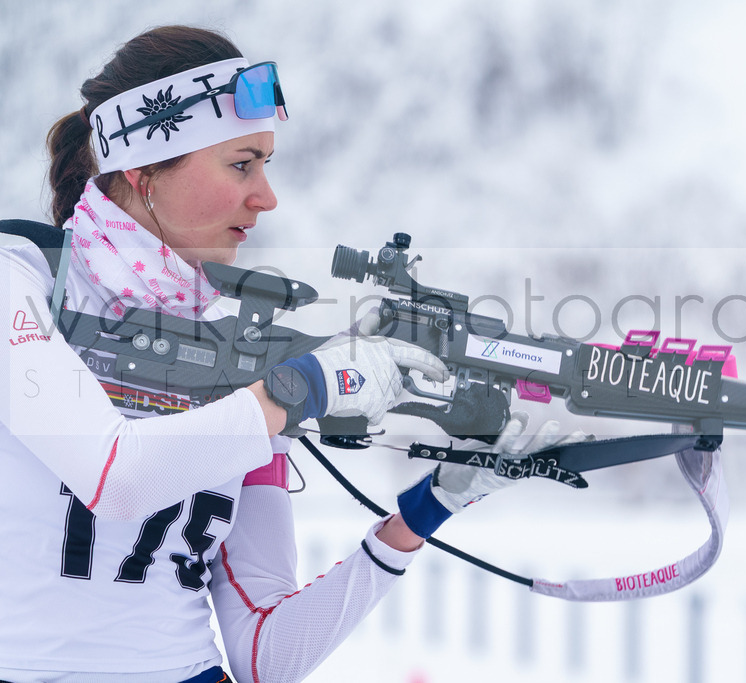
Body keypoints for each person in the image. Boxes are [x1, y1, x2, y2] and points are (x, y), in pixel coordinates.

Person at [0, 25, 572, 683]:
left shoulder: (236, 357)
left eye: (266, 165)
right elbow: (113, 475)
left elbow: (267, 655)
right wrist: (297, 390)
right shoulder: (20, 281)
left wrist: (422, 514)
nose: (266, 196)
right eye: (242, 164)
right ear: (144, 169)